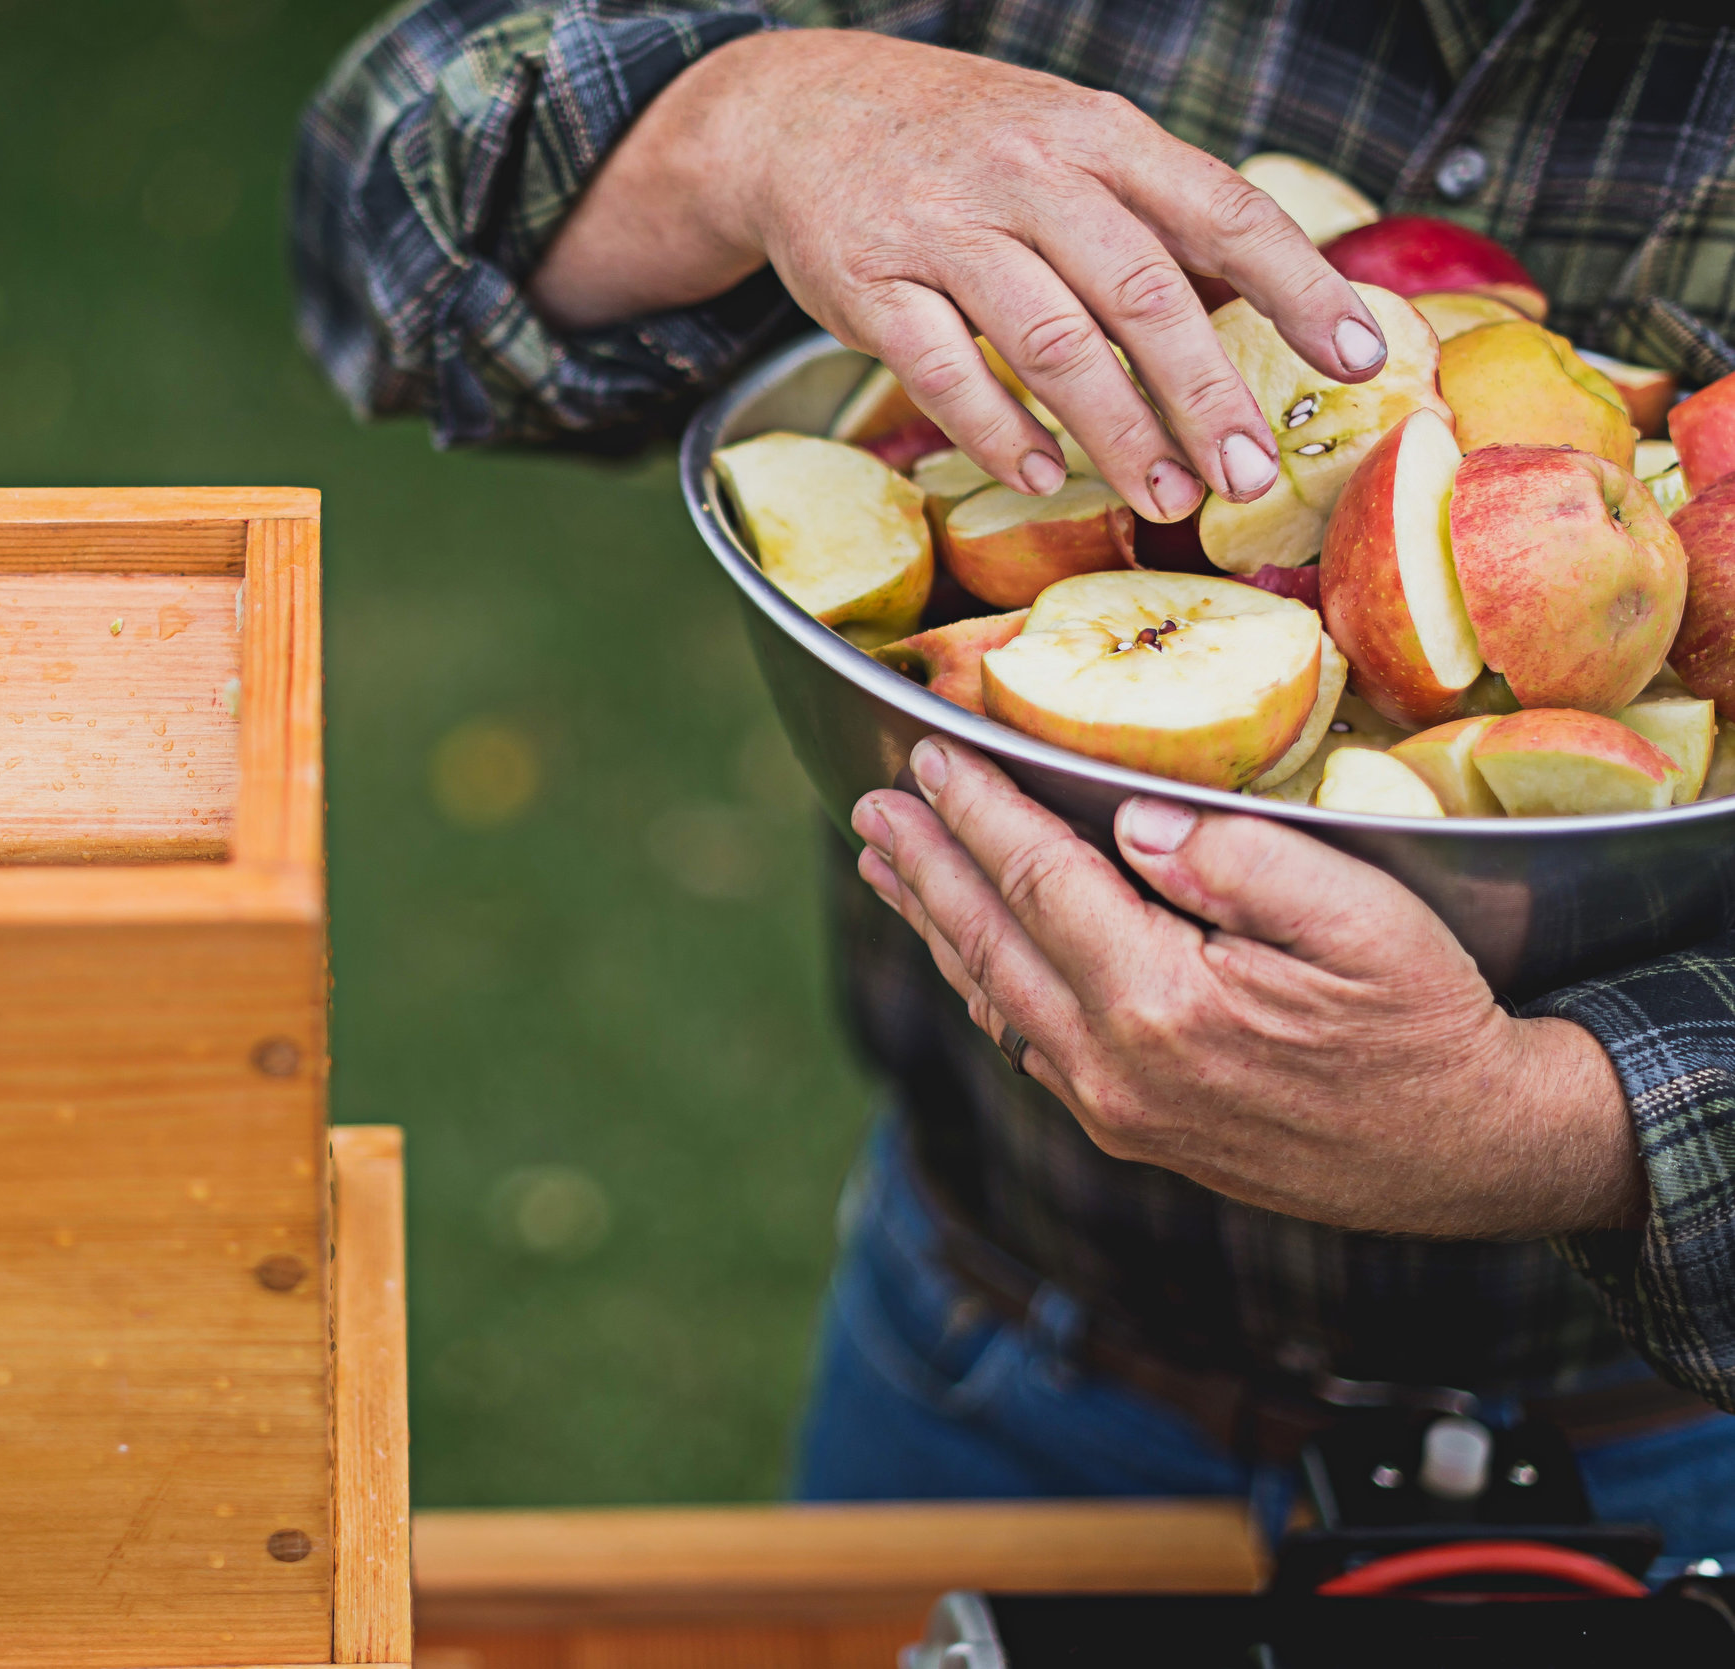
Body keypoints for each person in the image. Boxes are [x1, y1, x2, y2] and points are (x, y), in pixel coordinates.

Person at [293, 1, 1735, 1559]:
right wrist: (745, 119)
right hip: (987, 1348)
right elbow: (379, 205)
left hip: (1663, 1444)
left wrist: (1563, 1123)